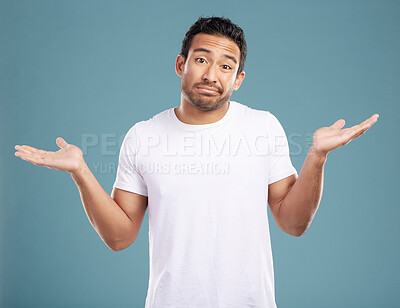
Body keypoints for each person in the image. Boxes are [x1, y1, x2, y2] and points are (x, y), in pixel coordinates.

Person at [14, 16, 378, 308]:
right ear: (181, 64)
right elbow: (120, 237)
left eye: (225, 65)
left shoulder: (263, 126)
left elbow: (293, 223)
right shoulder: (143, 135)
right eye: (201, 59)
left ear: (239, 79)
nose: (210, 74)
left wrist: (317, 156)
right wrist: (80, 171)